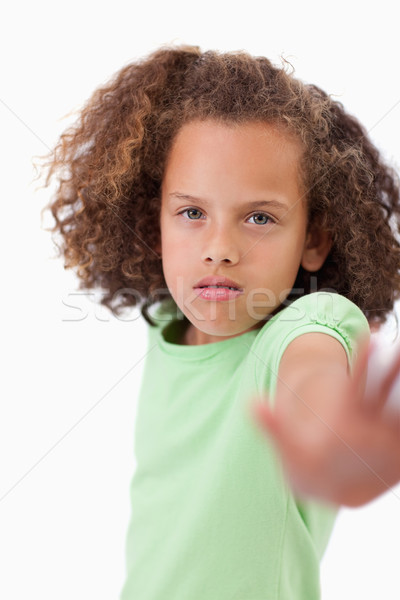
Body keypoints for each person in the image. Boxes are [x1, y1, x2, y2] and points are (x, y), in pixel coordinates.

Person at [41, 45, 400, 599]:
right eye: (192, 213)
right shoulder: (167, 322)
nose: (219, 249)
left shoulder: (305, 326)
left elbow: (312, 377)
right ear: (152, 218)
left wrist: (333, 442)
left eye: (259, 217)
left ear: (313, 239)